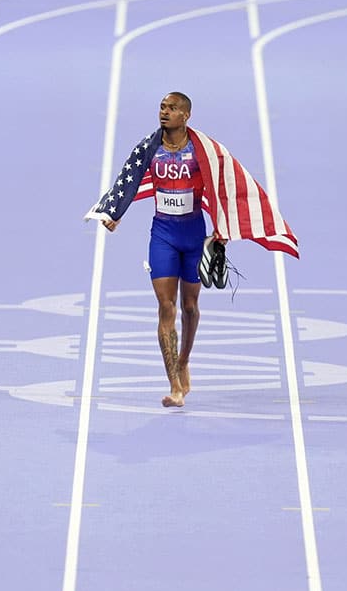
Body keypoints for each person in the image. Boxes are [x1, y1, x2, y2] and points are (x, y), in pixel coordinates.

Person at [84, 92, 299, 408]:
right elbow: (127, 180)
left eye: (172, 108)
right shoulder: (149, 148)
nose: (164, 112)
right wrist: (116, 212)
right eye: (162, 107)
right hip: (163, 235)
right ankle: (174, 383)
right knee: (166, 306)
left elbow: (226, 189)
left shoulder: (205, 153)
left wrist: (223, 230)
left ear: (186, 115)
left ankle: (184, 360)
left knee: (189, 307)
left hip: (193, 234)